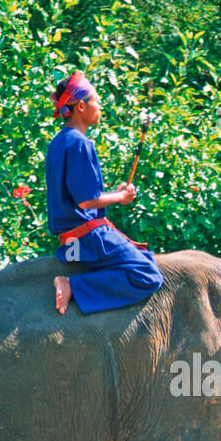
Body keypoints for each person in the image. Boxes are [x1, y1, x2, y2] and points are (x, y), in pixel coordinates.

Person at [45, 70, 164, 315]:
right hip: (86, 240)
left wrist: (114, 193)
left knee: (144, 256)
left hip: (70, 244)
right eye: (96, 101)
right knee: (148, 273)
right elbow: (87, 201)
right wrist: (121, 197)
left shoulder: (58, 142)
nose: (100, 107)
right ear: (80, 106)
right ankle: (71, 284)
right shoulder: (80, 143)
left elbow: (79, 198)